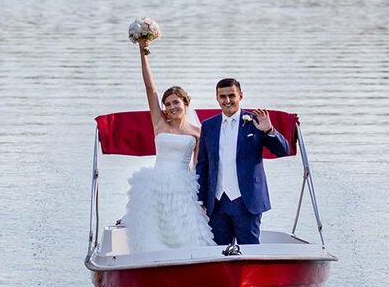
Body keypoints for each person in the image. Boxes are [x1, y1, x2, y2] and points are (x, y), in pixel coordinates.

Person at [119, 41, 215, 250]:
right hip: (155, 182)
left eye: (176, 102)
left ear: (185, 104)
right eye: (168, 103)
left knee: (186, 230)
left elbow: (199, 165)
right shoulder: (159, 123)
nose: (172, 107)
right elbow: (150, 87)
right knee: (151, 231)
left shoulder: (198, 133)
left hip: (182, 184)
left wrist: (202, 199)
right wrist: (143, 51)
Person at [195, 78, 290, 253]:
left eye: (232, 95)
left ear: (241, 96)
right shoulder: (209, 125)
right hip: (216, 202)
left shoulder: (255, 121)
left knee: (251, 250)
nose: (227, 100)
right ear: (217, 98)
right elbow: (203, 164)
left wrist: (269, 131)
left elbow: (284, 150)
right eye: (222, 96)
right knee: (217, 252)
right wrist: (200, 198)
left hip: (247, 201)